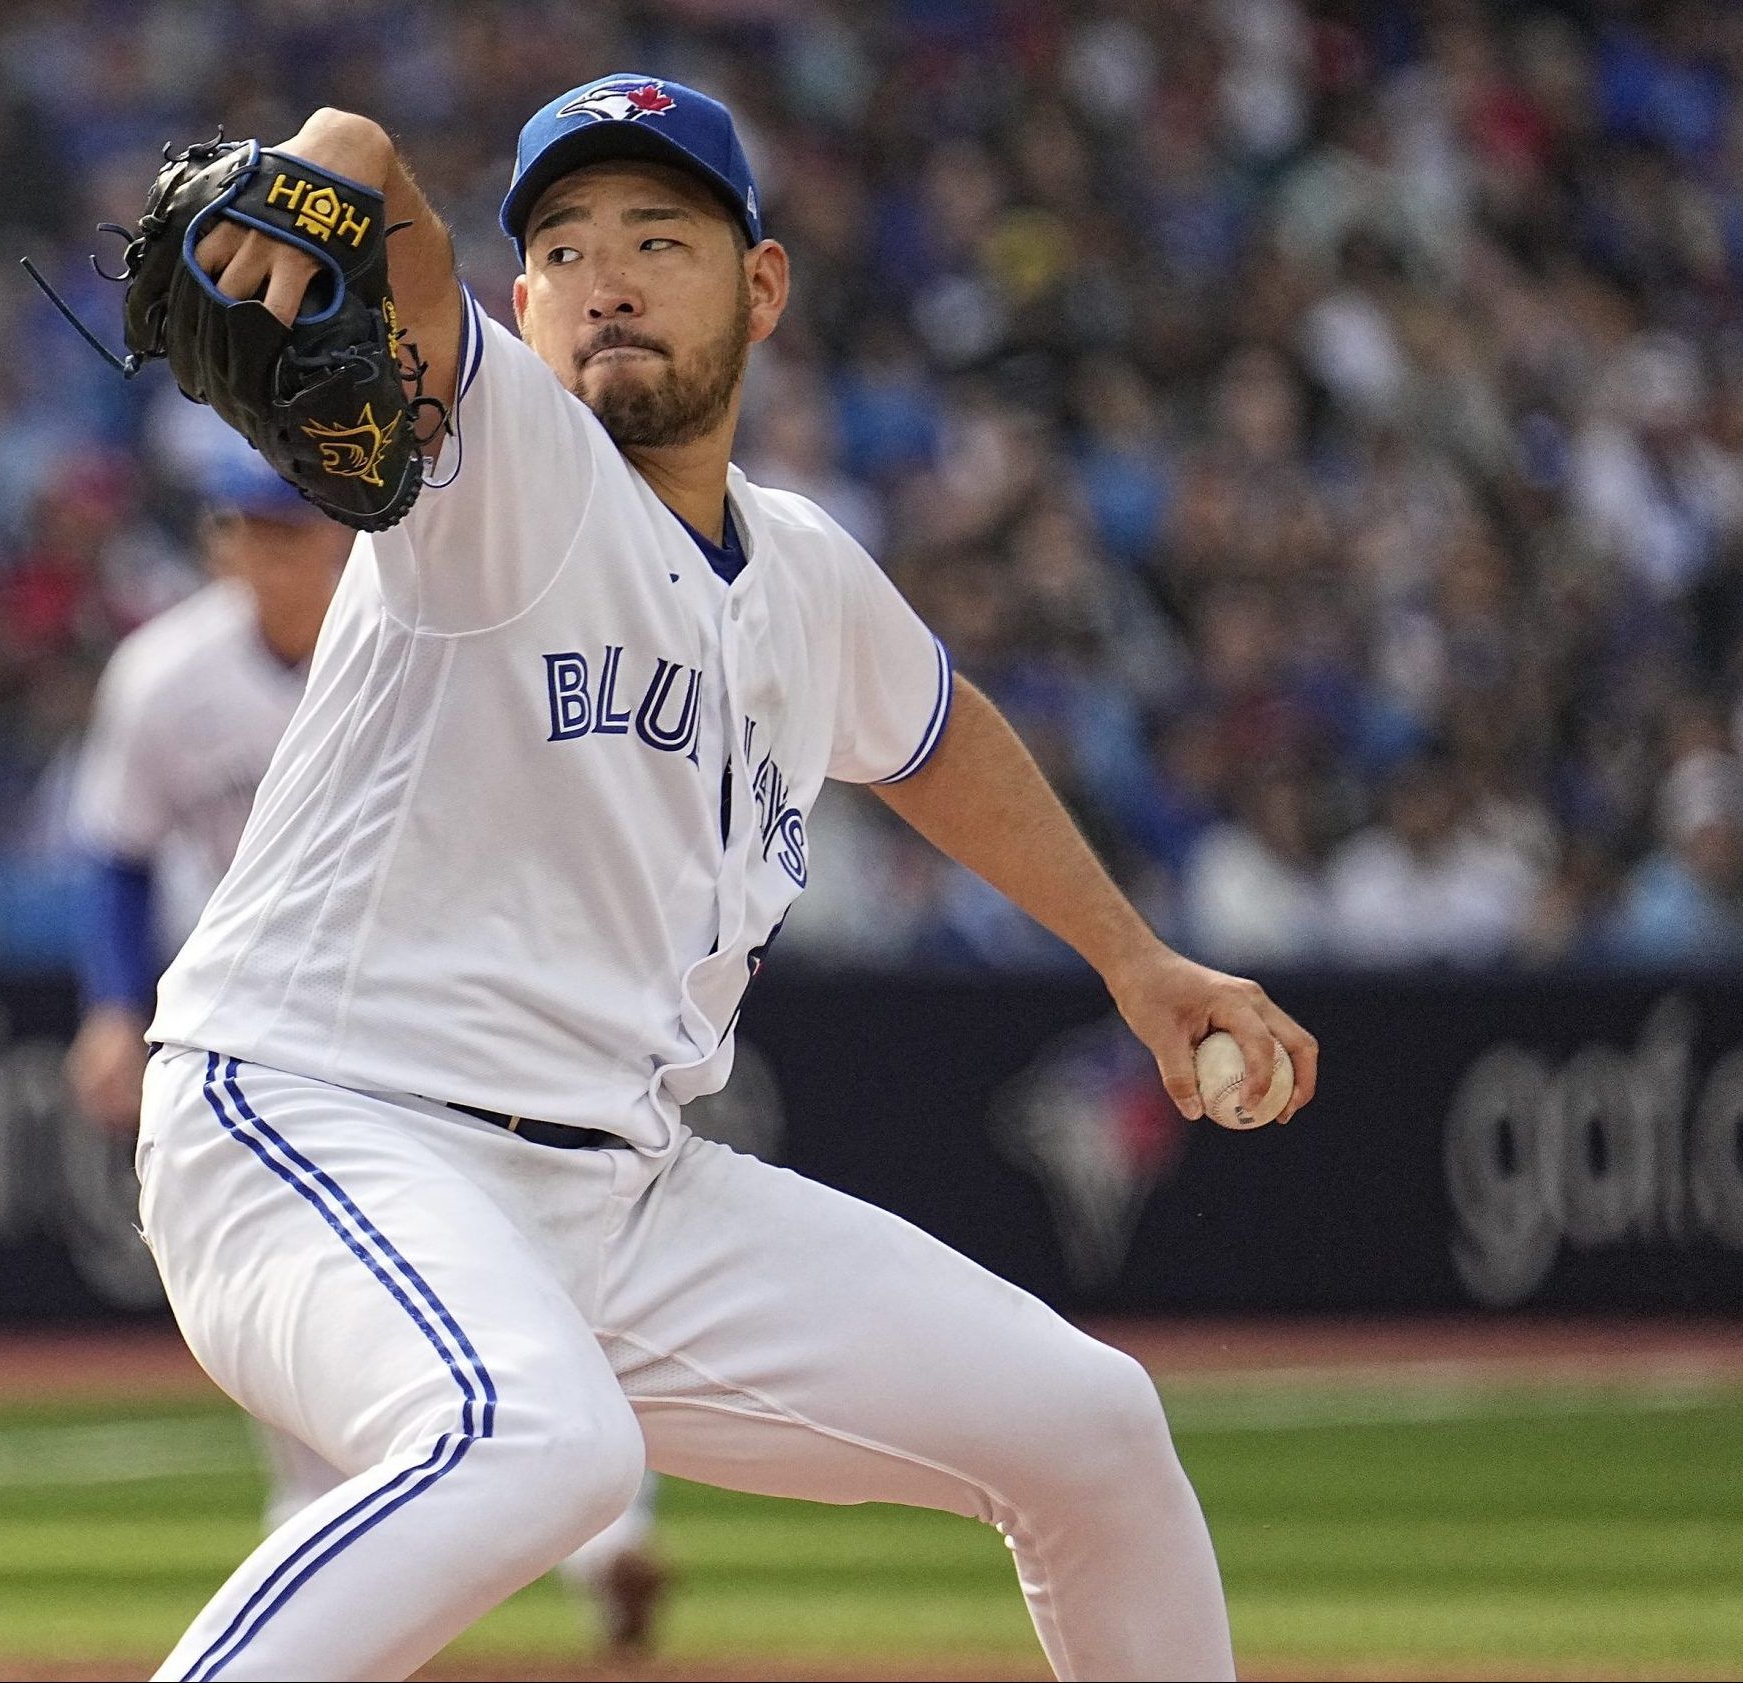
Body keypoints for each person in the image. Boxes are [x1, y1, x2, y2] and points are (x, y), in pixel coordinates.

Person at [134, 76, 1318, 1681]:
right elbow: (379, 209)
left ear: (760, 286)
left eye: (658, 236)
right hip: (323, 1115)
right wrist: (336, 155)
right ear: (519, 302)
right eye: (560, 246)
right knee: (540, 1447)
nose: (605, 273)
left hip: (618, 1189)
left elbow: (933, 735)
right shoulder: (504, 458)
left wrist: (1131, 956)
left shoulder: (804, 570)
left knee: (1091, 1428)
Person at [66, 442, 672, 1656]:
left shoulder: (415, 642)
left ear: (347, 533)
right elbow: (113, 850)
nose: (267, 551)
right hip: (246, 1020)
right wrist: (107, 1004)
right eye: (246, 529)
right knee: (298, 1291)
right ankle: (321, 1525)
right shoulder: (164, 675)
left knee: (520, 1261)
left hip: (420, 1010)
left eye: (291, 527)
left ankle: (601, 1533)